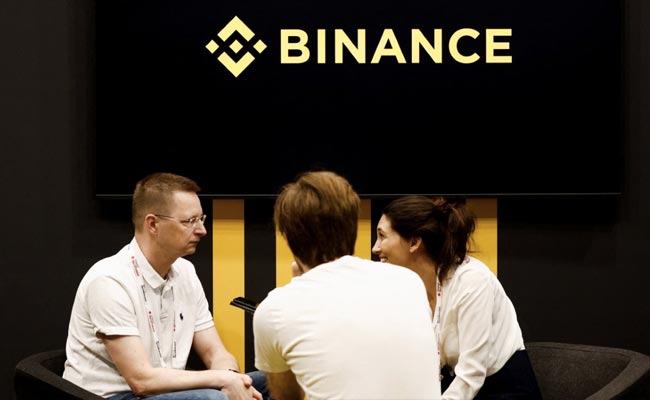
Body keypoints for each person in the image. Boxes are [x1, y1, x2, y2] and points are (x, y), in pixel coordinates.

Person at [63, 172, 269, 400]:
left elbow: (215, 352)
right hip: (114, 396)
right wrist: (222, 381)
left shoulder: (186, 272)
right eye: (189, 221)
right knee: (212, 398)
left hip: (167, 392)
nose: (202, 230)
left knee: (276, 381)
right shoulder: (109, 280)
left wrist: (234, 380)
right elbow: (141, 381)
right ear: (153, 224)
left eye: (201, 219)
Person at [252, 170, 441, 400]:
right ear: (353, 226)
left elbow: (288, 396)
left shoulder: (275, 309)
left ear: (288, 237)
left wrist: (295, 290)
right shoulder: (408, 281)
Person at [372, 195, 542, 400]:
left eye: (382, 236)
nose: (375, 248)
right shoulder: (407, 286)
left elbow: (471, 375)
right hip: (454, 386)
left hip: (504, 389)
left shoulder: (472, 281)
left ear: (414, 242)